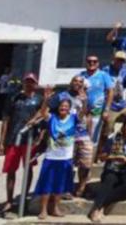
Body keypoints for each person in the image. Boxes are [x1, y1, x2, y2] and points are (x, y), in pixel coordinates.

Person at [0, 72, 44, 215]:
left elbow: (43, 117)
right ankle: (9, 199)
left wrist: (40, 138)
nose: (29, 84)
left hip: (30, 140)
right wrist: (1, 141)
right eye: (27, 82)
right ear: (23, 83)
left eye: (32, 82)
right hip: (13, 138)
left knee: (28, 168)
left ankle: (24, 196)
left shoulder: (39, 100)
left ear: (36, 84)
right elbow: (6, 120)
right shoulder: (14, 98)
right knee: (11, 170)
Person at [32, 88, 77, 220]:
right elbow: (43, 112)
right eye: (62, 106)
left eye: (66, 106)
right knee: (47, 184)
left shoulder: (73, 118)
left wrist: (84, 101)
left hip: (66, 157)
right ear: (58, 107)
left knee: (60, 184)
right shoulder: (52, 118)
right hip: (51, 156)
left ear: (69, 108)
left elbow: (83, 114)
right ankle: (43, 210)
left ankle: (55, 208)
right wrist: (46, 99)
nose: (63, 108)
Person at [88, 117, 126, 223]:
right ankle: (96, 209)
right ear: (124, 126)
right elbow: (102, 156)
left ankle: (102, 204)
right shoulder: (113, 138)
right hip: (112, 168)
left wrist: (125, 160)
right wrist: (112, 157)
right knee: (109, 180)